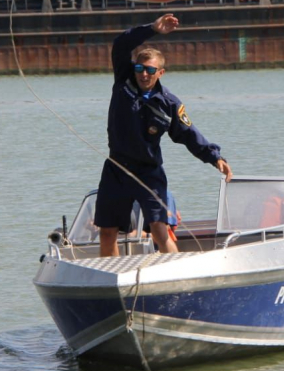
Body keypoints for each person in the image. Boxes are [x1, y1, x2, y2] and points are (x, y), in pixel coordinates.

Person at [95, 13, 233, 257]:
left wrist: (214, 157)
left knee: (159, 230)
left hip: (149, 172)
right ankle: (108, 281)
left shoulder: (169, 103)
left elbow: (188, 133)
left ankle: (178, 276)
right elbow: (121, 44)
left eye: (150, 70)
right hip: (116, 168)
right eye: (139, 68)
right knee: (107, 231)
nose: (143, 74)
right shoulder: (123, 81)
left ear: (161, 73)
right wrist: (152, 29)